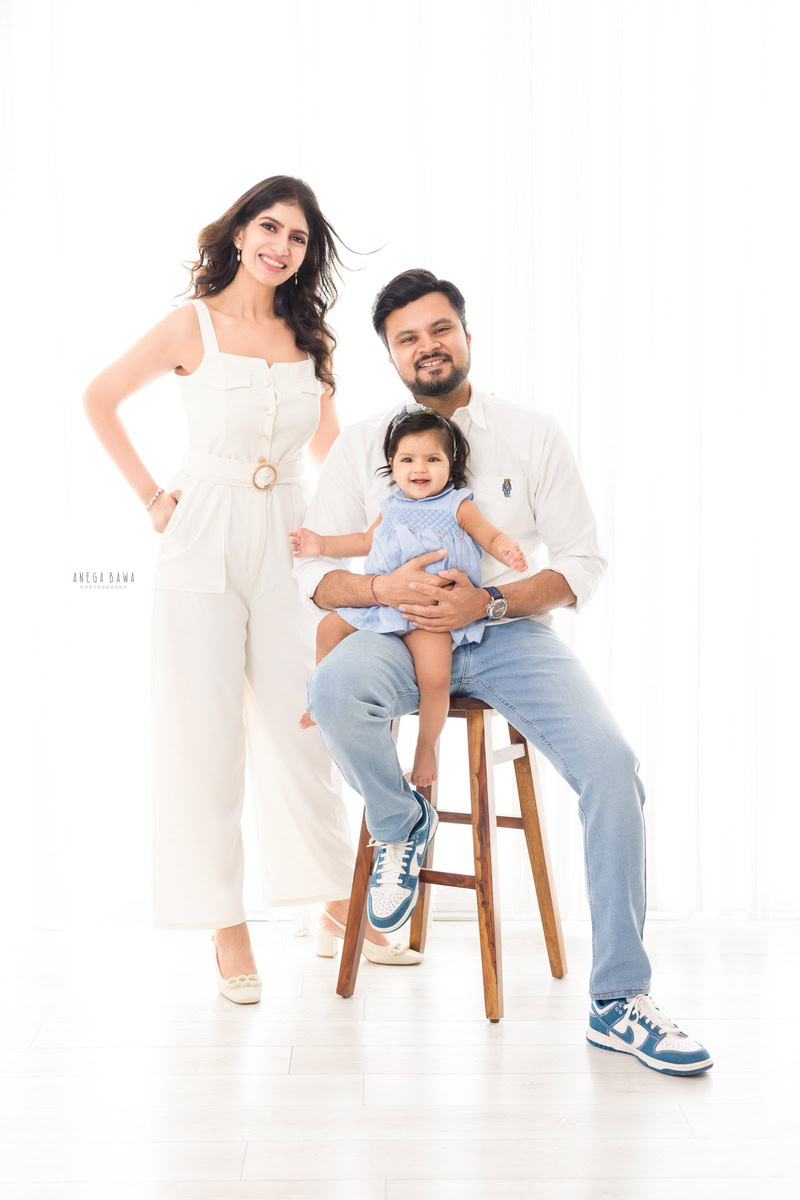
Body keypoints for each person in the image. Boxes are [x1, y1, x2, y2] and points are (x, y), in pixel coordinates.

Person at [293, 268, 714, 1075]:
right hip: (397, 629)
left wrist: (485, 604)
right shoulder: (362, 446)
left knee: (612, 768)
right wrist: (385, 588)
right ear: (391, 354)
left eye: (439, 328)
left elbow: (582, 563)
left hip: (507, 634)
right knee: (333, 688)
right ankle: (401, 822)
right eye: (407, 338)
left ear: (467, 335)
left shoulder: (530, 433)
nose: (427, 346)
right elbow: (315, 577)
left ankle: (619, 1000)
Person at [82, 177, 422, 1008]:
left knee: (303, 722)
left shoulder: (313, 339)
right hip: (202, 538)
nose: (281, 245)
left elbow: (335, 458)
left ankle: (335, 905)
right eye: (269, 226)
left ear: (308, 254)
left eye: (298, 237)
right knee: (204, 734)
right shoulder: (190, 324)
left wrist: (366, 537)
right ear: (239, 231)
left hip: (290, 540)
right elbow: (99, 398)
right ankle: (225, 927)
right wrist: (154, 499)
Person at [290, 404, 528, 789]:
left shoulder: (457, 506)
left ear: (451, 461)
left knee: (435, 679)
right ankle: (321, 698)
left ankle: (426, 746)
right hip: (384, 605)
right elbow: (363, 541)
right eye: (408, 459)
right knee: (328, 629)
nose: (420, 469)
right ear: (392, 463)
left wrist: (508, 551)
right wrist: (321, 542)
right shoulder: (391, 506)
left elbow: (489, 536)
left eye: (432, 459)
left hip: (429, 614)